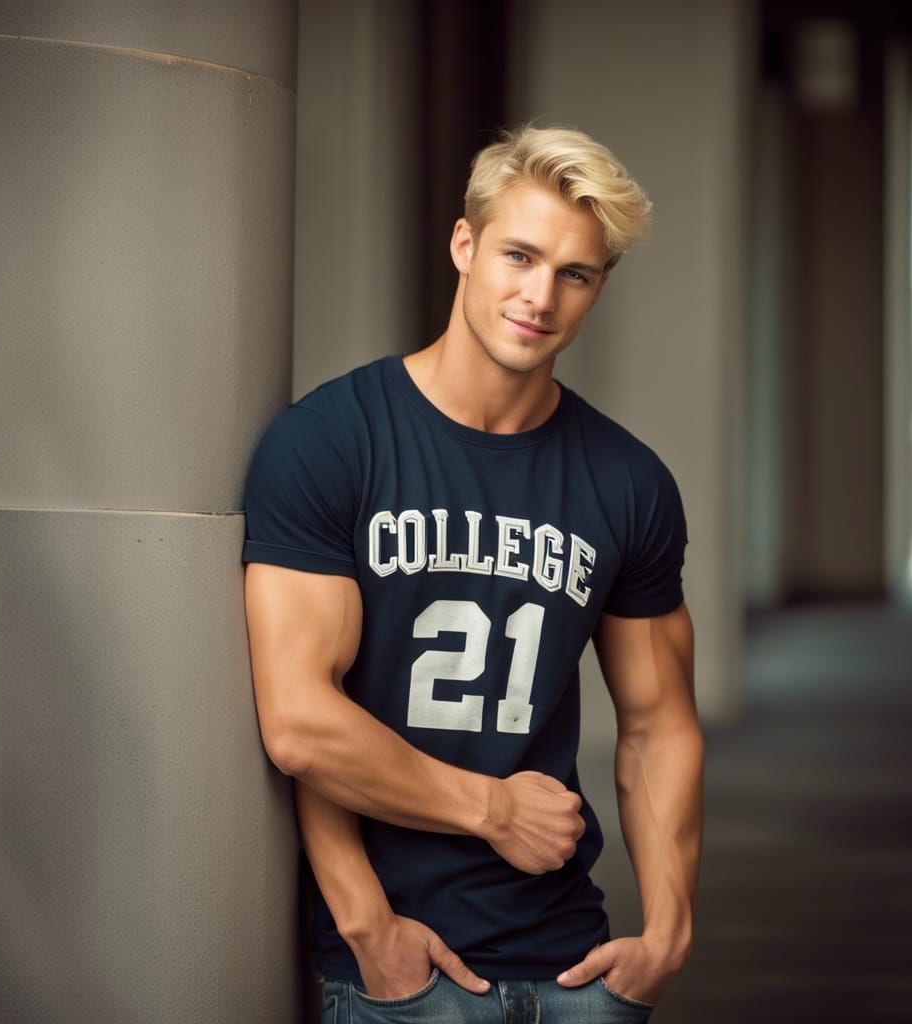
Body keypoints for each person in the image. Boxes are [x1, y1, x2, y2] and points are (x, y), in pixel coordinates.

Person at [241, 125, 704, 1023]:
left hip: (577, 968)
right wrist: (377, 923)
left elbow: (659, 724)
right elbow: (300, 722)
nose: (540, 296)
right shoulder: (331, 444)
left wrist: (670, 934)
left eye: (575, 273)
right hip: (404, 970)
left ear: (599, 288)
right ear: (465, 245)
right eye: (519, 256)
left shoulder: (628, 482)